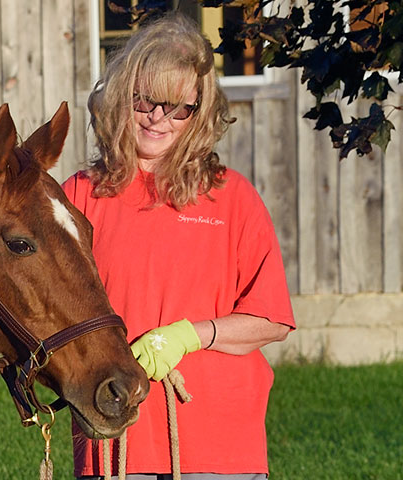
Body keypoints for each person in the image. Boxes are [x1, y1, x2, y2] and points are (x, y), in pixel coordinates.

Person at [61, 11, 295, 480]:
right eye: (145, 101)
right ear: (120, 99)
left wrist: (192, 335)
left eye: (178, 108)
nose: (159, 120)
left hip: (222, 444)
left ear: (199, 113)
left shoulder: (232, 197)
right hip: (115, 437)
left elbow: (271, 320)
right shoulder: (80, 195)